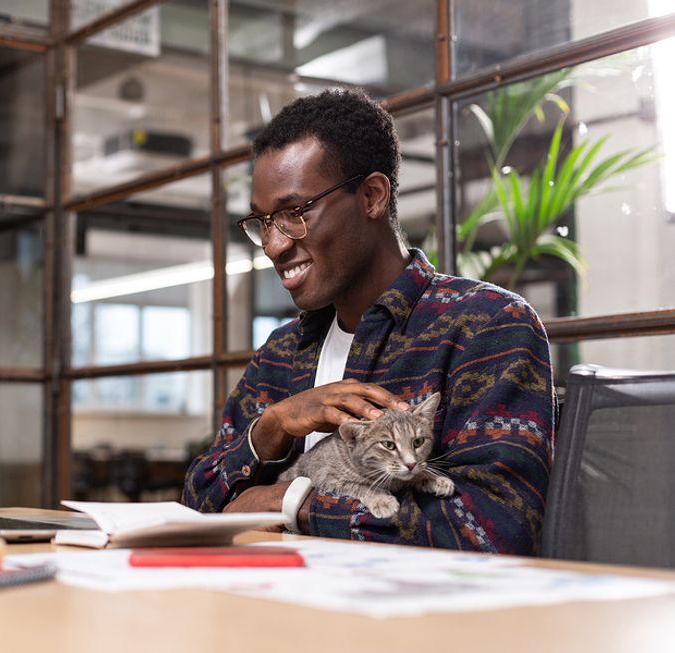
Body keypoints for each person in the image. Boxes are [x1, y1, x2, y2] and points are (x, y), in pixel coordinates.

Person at [182, 89, 554, 555]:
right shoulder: (281, 353)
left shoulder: (487, 326)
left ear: (372, 196)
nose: (274, 245)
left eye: (293, 214)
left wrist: (290, 502)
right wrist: (272, 427)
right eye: (264, 222)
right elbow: (199, 508)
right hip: (274, 612)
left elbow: (494, 529)